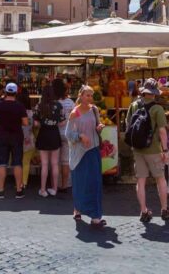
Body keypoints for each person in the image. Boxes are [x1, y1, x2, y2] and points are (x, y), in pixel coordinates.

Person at [126, 78, 169, 223]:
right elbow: (162, 132)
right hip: (153, 150)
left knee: (140, 181)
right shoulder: (157, 109)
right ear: (154, 93)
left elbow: (128, 125)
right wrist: (165, 150)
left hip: (138, 149)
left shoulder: (133, 105)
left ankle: (144, 211)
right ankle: (164, 210)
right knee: (160, 179)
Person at [66, 85, 106, 229]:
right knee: (80, 183)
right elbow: (68, 134)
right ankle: (77, 208)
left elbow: (97, 125)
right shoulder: (74, 113)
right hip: (80, 153)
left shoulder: (94, 110)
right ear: (81, 96)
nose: (89, 98)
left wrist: (99, 127)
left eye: (91, 95)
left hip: (93, 150)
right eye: (87, 95)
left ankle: (95, 216)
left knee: (94, 183)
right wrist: (80, 136)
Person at [0, 83, 29, 199]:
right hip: (16, 136)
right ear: (16, 92)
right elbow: (26, 122)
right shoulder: (20, 106)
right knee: (17, 163)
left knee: (2, 163)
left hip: (2, 136)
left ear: (5, 92)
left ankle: (1, 190)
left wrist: (1, 123)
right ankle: (18, 190)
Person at [34, 85, 63, 197]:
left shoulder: (39, 106)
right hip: (55, 134)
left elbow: (36, 123)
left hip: (43, 134)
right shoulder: (58, 105)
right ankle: (54, 189)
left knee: (44, 164)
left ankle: (42, 189)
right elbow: (62, 122)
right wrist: (53, 122)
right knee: (55, 164)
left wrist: (43, 122)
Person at [54, 78, 75, 193]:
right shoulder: (71, 103)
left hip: (55, 134)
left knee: (56, 161)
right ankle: (65, 184)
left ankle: (56, 183)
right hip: (68, 133)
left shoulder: (53, 103)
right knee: (66, 161)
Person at [17, 88, 36, 189]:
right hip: (29, 139)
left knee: (18, 162)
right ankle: (24, 182)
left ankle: (18, 181)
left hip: (17, 139)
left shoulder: (16, 112)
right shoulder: (31, 113)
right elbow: (34, 126)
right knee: (26, 162)